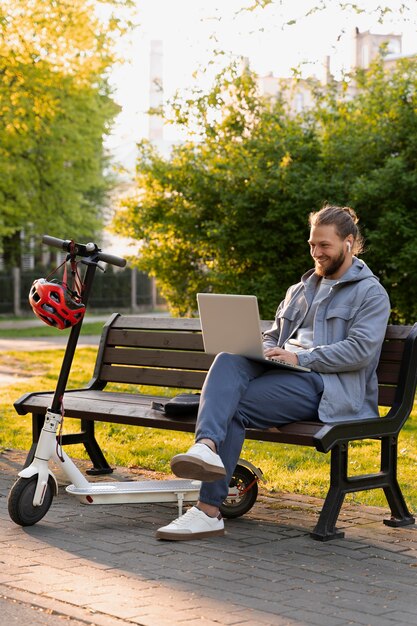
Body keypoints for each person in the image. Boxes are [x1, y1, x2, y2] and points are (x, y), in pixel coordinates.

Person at [156, 204, 391, 541]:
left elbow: (360, 351)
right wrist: (263, 348)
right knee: (228, 357)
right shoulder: (300, 289)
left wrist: (301, 359)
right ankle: (205, 447)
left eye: (324, 245)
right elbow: (274, 334)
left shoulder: (370, 293)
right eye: (312, 244)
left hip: (326, 385)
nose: (316, 252)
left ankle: (207, 511)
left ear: (349, 243)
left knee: (232, 409)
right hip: (282, 372)